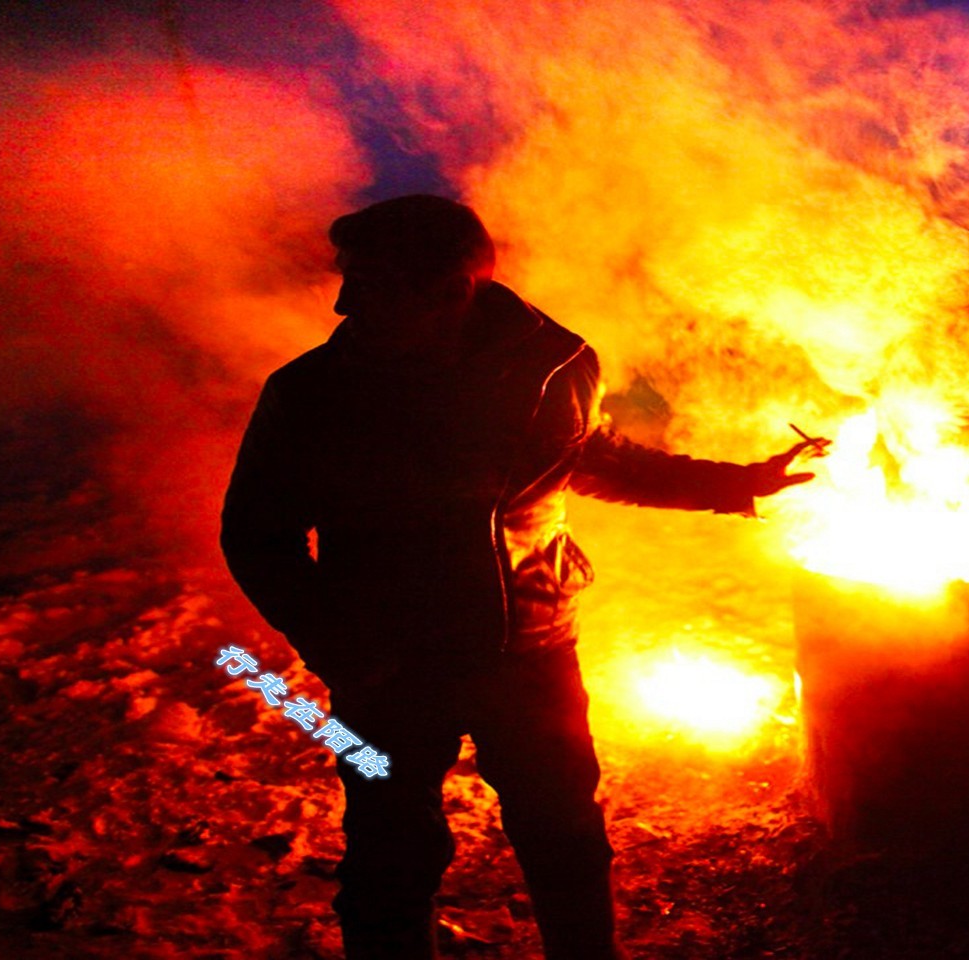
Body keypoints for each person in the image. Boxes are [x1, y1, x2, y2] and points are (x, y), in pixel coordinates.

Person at [219, 194, 821, 960]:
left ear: (449, 292)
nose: (342, 302)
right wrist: (337, 645)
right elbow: (254, 534)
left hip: (532, 648)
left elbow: (588, 460)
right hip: (385, 673)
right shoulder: (310, 392)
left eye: (368, 283)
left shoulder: (556, 364)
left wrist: (736, 485)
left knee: (562, 831)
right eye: (347, 278)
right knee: (387, 846)